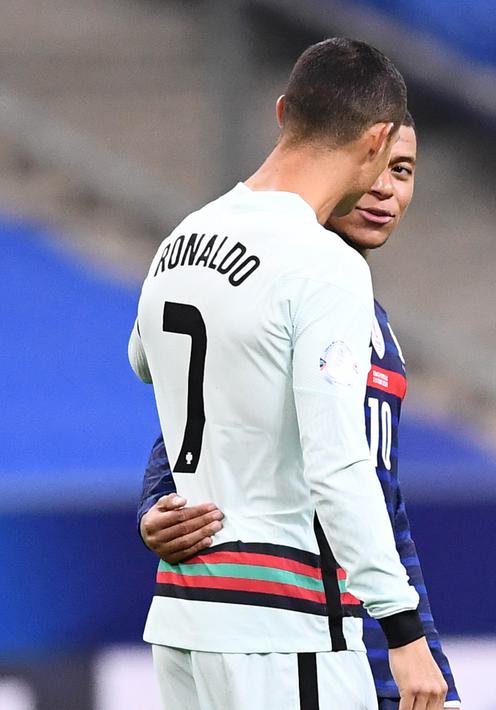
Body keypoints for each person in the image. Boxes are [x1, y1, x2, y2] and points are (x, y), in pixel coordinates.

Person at [127, 38, 446, 710]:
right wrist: (406, 631)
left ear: (282, 113)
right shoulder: (323, 269)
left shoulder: (182, 237)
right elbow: (339, 466)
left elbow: (155, 368)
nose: (388, 187)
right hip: (285, 620)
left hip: (186, 620)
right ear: (376, 138)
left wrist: (160, 496)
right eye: (389, 162)